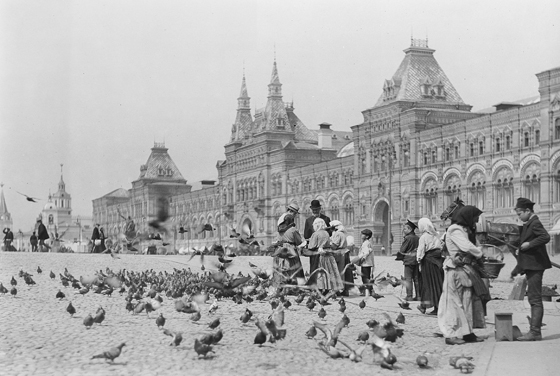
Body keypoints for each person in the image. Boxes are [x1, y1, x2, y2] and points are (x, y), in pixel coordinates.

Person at [438, 205, 489, 345]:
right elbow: (466, 246)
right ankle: (450, 334)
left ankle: (467, 333)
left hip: (464, 270)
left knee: (467, 302)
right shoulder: (455, 229)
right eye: (475, 218)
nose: (476, 221)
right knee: (452, 304)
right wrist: (480, 252)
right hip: (454, 270)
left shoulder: (464, 230)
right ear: (468, 217)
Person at [513, 197, 551, 341]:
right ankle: (534, 330)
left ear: (528, 211)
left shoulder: (534, 222)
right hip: (531, 265)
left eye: (520, 214)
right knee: (533, 298)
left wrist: (529, 245)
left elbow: (545, 237)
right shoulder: (528, 223)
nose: (519, 217)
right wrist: (521, 249)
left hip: (535, 266)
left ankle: (535, 332)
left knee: (535, 299)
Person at [306, 218, 343, 294]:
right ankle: (327, 289)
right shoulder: (326, 233)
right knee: (328, 272)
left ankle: (319, 289)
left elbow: (311, 246)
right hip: (328, 255)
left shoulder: (315, 234)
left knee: (320, 273)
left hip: (319, 256)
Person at [416, 217, 445, 315]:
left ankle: (426, 306)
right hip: (438, 261)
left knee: (428, 284)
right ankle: (436, 306)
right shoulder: (436, 235)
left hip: (428, 262)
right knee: (438, 283)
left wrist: (419, 262)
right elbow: (441, 247)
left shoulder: (423, 237)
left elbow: (420, 251)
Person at [271, 213, 306, 288]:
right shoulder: (293, 230)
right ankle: (293, 287)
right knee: (294, 267)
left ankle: (280, 285)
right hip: (290, 250)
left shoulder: (279, 229)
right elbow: (299, 242)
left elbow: (276, 241)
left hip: (281, 250)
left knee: (281, 268)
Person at [304, 200, 331, 274]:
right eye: (313, 210)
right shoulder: (308, 221)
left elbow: (330, 233)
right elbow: (306, 235)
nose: (315, 211)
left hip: (325, 249)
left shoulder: (326, 219)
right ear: (311, 209)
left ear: (320, 209)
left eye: (316, 209)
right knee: (314, 267)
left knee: (325, 268)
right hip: (314, 250)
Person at [398, 219, 420, 301]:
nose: (403, 231)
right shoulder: (417, 238)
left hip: (408, 261)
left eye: (405, 229)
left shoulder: (408, 238)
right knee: (416, 278)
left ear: (410, 229)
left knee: (408, 279)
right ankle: (418, 296)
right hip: (416, 261)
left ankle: (409, 296)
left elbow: (402, 250)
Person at [329, 220, 353, 296]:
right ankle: (345, 290)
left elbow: (334, 246)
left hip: (339, 254)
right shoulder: (342, 233)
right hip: (344, 253)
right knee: (345, 273)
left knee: (337, 272)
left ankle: (337, 291)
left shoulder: (337, 234)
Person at [358, 229, 375, 296]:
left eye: (363, 234)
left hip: (365, 263)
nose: (361, 235)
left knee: (365, 278)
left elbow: (366, 253)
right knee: (367, 278)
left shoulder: (366, 243)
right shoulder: (367, 243)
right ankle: (370, 291)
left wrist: (361, 260)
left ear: (367, 236)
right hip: (368, 263)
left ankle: (368, 291)